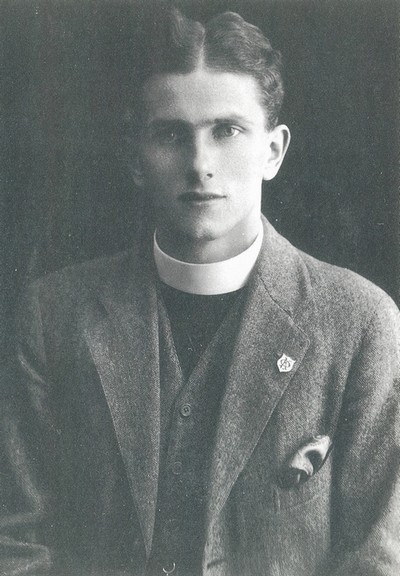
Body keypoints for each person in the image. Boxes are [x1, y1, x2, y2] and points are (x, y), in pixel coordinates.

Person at [1, 7, 399, 576]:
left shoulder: (361, 324)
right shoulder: (55, 315)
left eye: (227, 130)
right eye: (171, 134)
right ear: (136, 158)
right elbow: (16, 544)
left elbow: (376, 560)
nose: (200, 164)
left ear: (273, 151)